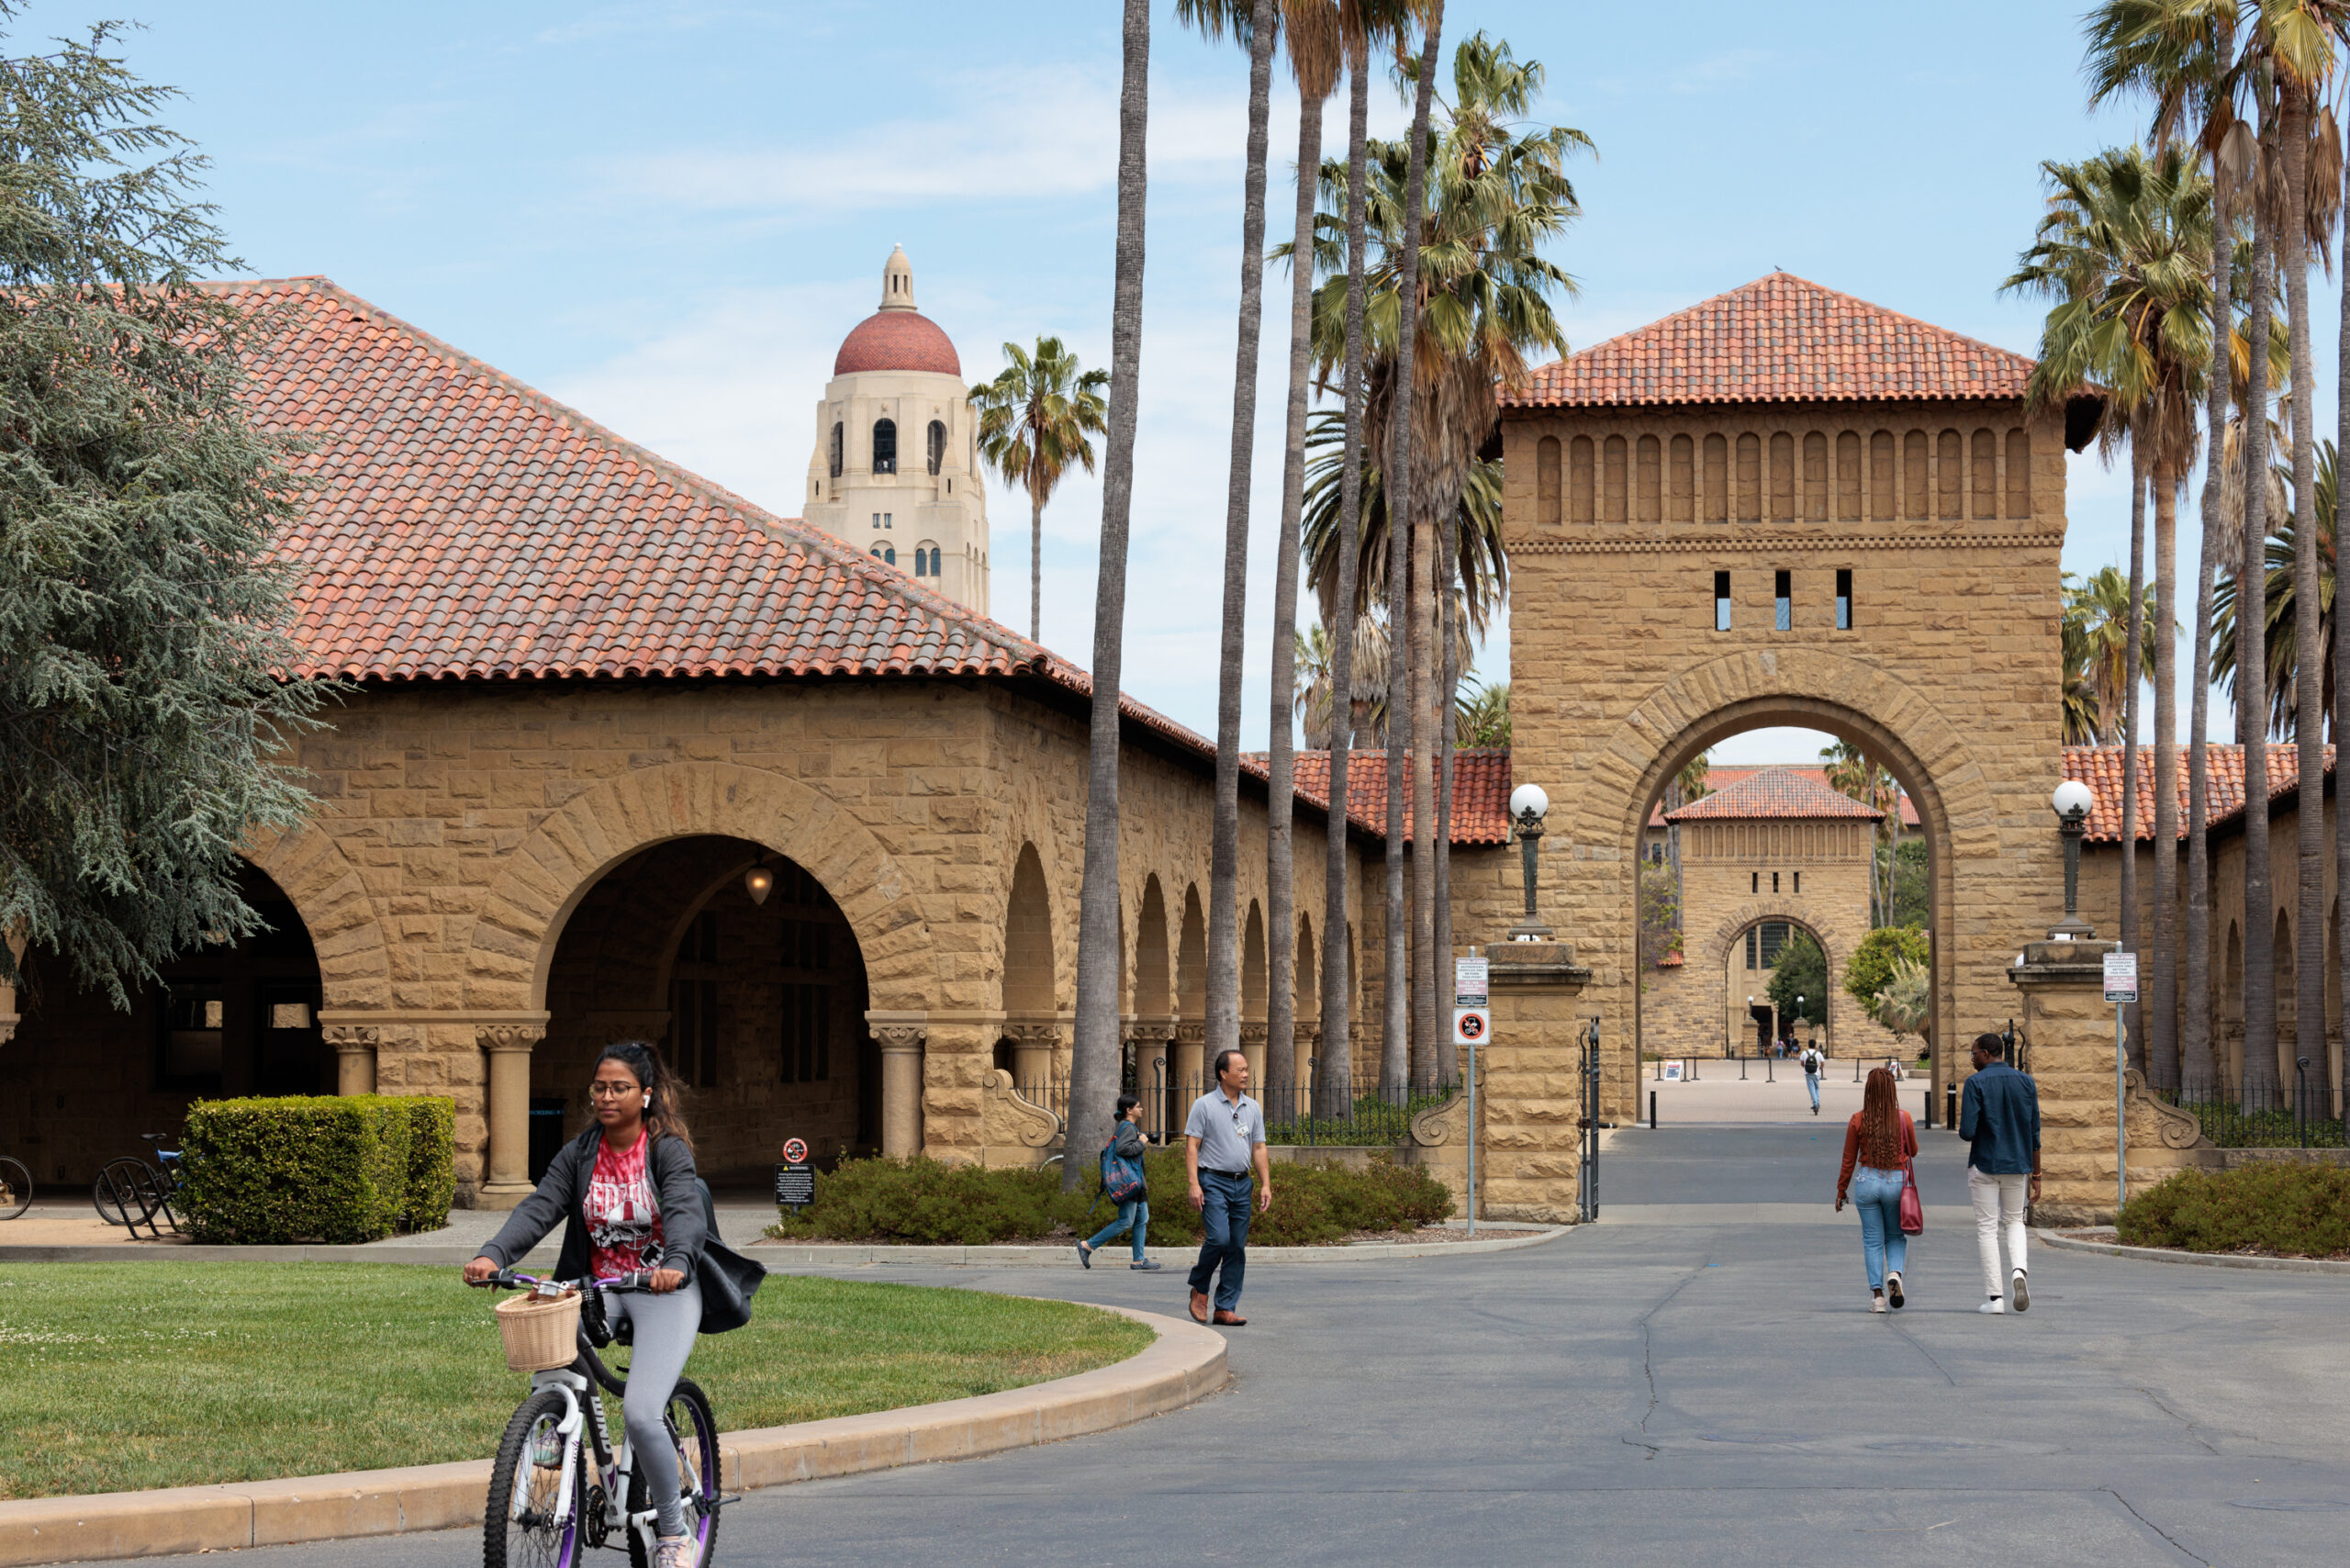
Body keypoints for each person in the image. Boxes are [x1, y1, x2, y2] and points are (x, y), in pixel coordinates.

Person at [465, 1042, 746, 1568]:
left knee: (641, 1414)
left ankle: (672, 1531)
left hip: (664, 1288)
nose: (607, 1096)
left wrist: (679, 1262)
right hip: (602, 1287)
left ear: (647, 1095)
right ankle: (559, 1427)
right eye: (600, 1087)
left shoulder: (666, 1150)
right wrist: (493, 1254)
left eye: (620, 1087)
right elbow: (540, 1205)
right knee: (548, 1308)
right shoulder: (580, 1153)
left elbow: (685, 1207)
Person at [1183, 1047, 1272, 1327]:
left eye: (1247, 1069)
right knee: (1219, 1239)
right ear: (1224, 1074)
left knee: (1236, 1246)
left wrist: (1265, 1184)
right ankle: (1199, 1288)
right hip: (1212, 1181)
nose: (1246, 1074)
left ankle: (1225, 1307)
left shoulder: (1252, 1107)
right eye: (1241, 1070)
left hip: (1241, 1183)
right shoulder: (1204, 1105)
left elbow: (1258, 1147)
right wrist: (1194, 1184)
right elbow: (1192, 1146)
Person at [1959, 1029, 2042, 1315]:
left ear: (1985, 1053)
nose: (1971, 1058)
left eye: (1973, 1053)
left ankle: (1995, 1298)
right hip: (2018, 1164)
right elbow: (2034, 1132)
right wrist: (2038, 1175)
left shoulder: (1975, 1083)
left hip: (1984, 1162)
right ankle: (2019, 1271)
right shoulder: (2026, 1082)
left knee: (1987, 1228)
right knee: (2015, 1222)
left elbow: (1967, 1131)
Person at [1835, 1068, 1919, 1312]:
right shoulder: (1903, 1118)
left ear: (1868, 1090)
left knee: (1872, 1241)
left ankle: (1878, 1296)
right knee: (1895, 1236)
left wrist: (1841, 1191)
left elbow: (1848, 1159)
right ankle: (1894, 1273)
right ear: (1892, 1090)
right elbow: (1912, 1151)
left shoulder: (1858, 1119)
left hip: (1867, 1182)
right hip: (1896, 1183)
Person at [1079, 1093, 1162, 1271]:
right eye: (1138, 1106)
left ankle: (1138, 1260)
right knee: (1126, 1221)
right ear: (1129, 1110)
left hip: (1135, 1181)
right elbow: (1123, 1149)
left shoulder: (1129, 1127)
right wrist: (1141, 1142)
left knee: (1142, 1218)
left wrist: (1144, 1138)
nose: (1142, 1109)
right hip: (1129, 1181)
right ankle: (1087, 1245)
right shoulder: (1127, 1127)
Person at [1800, 1040, 1823, 1114]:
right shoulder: (1818, 1053)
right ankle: (1817, 1103)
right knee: (1817, 1088)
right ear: (1815, 1045)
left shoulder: (1804, 1053)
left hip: (1808, 1073)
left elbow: (1802, 1062)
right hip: (1816, 1073)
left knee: (1811, 1089)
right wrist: (1819, 1068)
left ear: (1808, 1045)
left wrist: (1805, 1068)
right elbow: (1823, 1063)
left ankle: (1815, 1104)